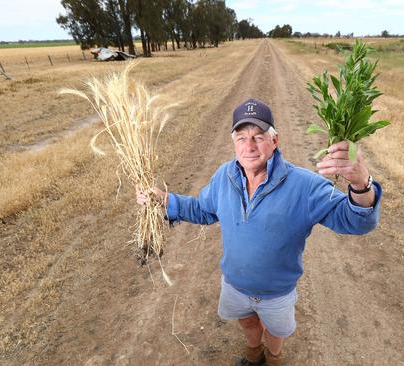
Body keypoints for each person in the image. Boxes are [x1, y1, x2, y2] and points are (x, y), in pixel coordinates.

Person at [136, 98, 382, 366]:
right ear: (234, 143)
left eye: (258, 137)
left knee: (275, 332)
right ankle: (254, 353)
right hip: (235, 286)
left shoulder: (305, 186)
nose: (249, 146)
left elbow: (357, 221)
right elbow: (202, 210)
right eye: (241, 137)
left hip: (277, 293)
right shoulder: (224, 177)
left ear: (275, 141)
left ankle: (274, 357)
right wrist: (164, 200)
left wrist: (361, 183)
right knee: (249, 324)